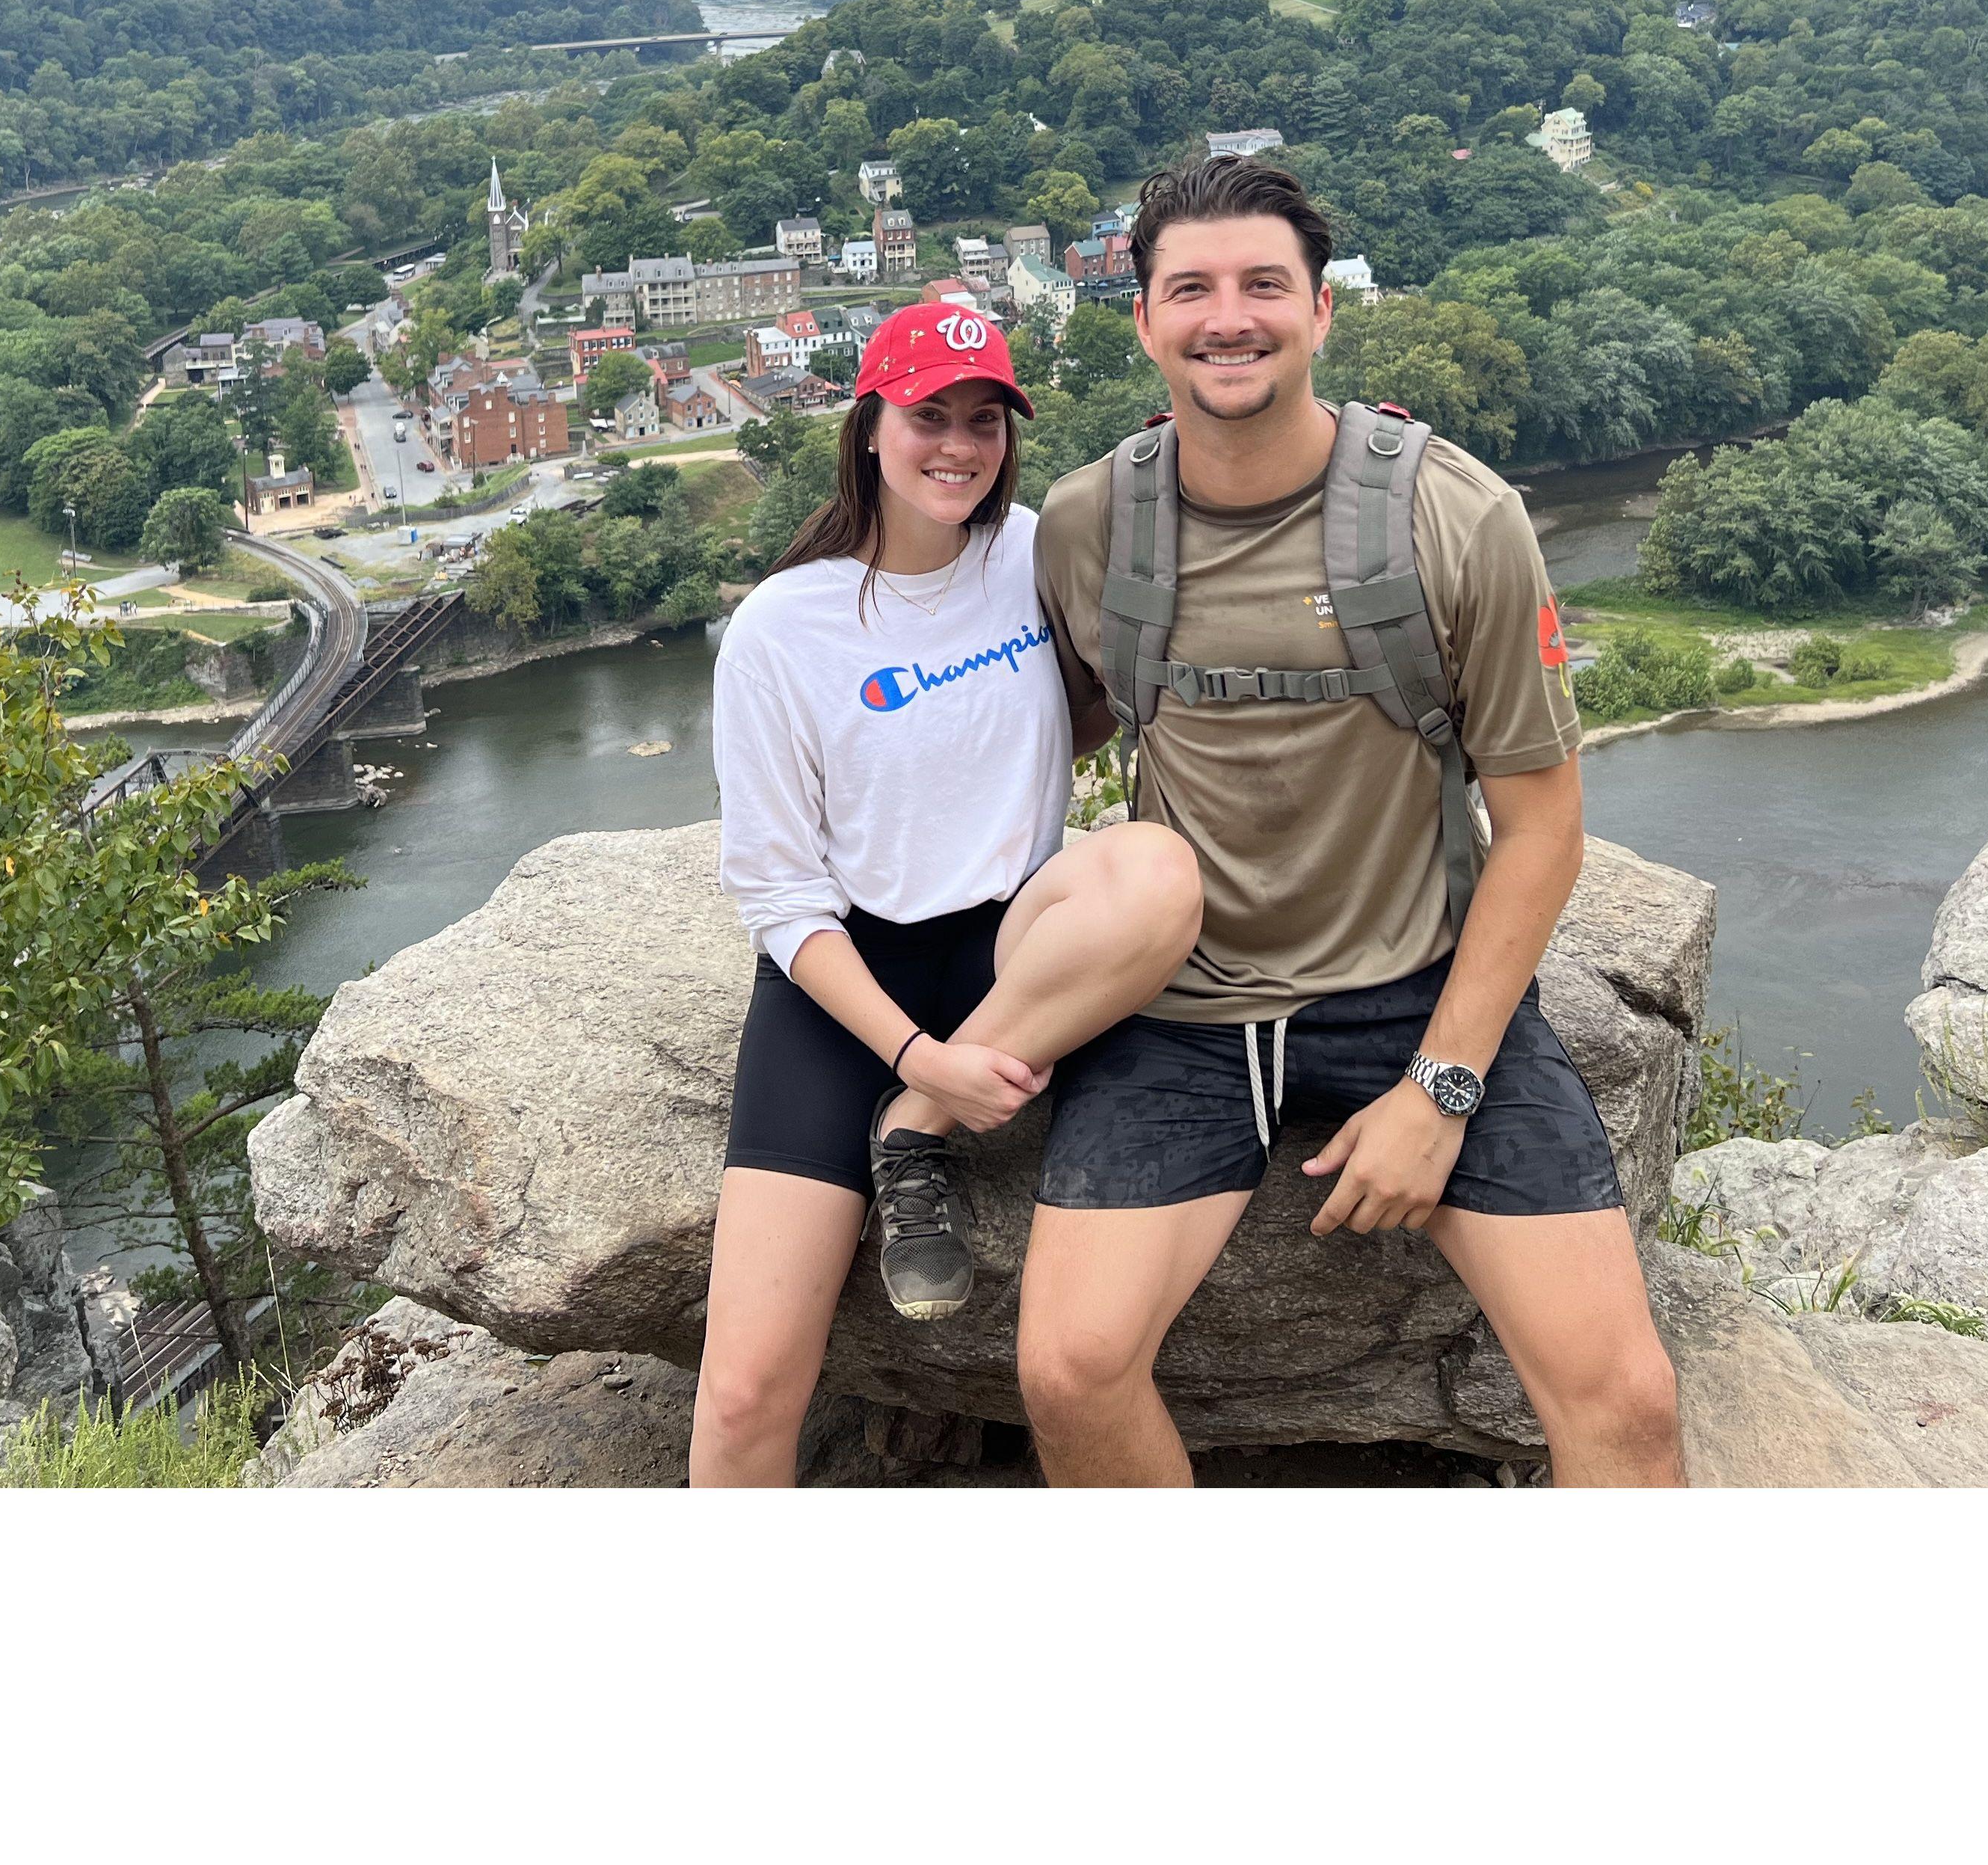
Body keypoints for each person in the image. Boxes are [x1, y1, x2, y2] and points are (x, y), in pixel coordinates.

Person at [1019, 156, 1685, 1487]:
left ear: (1322, 312)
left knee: (1627, 1402)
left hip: (1411, 991)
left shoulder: (1457, 517)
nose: (1230, 317)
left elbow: (1543, 823)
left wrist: (1443, 1089)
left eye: (1266, 285)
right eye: (1190, 289)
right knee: (1068, 1371)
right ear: (1142, 320)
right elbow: (1047, 723)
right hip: (1184, 1009)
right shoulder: (1094, 523)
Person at [692, 298, 1204, 1488]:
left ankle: (910, 1143)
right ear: (870, 425)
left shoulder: (1031, 553)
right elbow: (778, 898)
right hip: (846, 986)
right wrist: (920, 1059)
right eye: (930, 417)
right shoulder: (782, 628)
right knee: (745, 1389)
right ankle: (904, 1116)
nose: (958, 447)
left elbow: (1075, 711)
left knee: (1158, 869)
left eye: (985, 420)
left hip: (1014, 953)